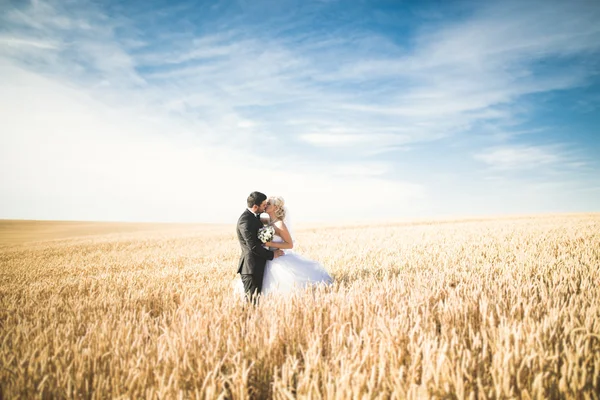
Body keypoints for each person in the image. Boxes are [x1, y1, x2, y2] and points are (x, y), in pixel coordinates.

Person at [260, 196, 333, 295]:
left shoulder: (280, 224)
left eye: (269, 204)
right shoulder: (267, 222)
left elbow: (289, 244)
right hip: (266, 257)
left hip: (276, 257)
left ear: (276, 208)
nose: (265, 205)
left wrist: (270, 244)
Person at [236, 191, 284, 303]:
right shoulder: (245, 220)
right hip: (251, 268)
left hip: (257, 266)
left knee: (256, 301)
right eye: (263, 205)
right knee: (251, 302)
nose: (265, 207)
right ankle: (247, 320)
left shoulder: (255, 216)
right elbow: (253, 246)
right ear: (255, 206)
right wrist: (273, 254)